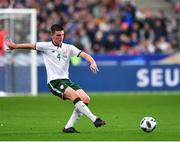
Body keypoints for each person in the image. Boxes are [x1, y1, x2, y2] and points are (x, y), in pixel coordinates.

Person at [7, 24, 106, 133]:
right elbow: (30, 46)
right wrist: (15, 46)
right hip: (54, 82)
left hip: (66, 80)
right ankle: (95, 119)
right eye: (58, 35)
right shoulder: (46, 46)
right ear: (52, 35)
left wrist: (92, 62)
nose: (61, 37)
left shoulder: (68, 48)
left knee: (86, 98)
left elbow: (85, 55)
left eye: (62, 35)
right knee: (74, 95)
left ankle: (68, 127)